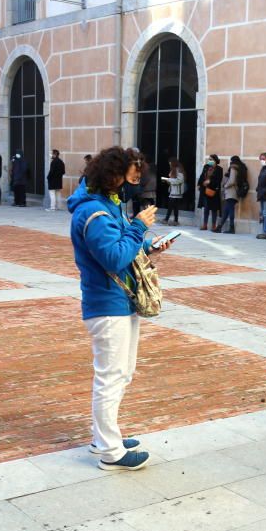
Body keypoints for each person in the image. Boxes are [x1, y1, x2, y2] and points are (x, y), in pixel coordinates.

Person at [66, 146, 173, 471]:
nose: (134, 185)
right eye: (130, 178)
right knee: (110, 376)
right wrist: (139, 226)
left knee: (121, 373)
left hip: (118, 301)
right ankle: (111, 452)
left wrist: (147, 245)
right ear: (113, 177)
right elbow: (112, 257)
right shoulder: (95, 213)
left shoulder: (105, 206)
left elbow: (121, 245)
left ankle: (104, 436)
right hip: (107, 304)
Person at [218, 156, 244, 234]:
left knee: (230, 210)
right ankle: (219, 227)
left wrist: (225, 186)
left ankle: (231, 228)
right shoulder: (240, 168)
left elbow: (232, 181)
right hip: (234, 191)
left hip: (231, 191)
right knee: (226, 210)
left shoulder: (233, 168)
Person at [197, 155, 223, 231]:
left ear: (215, 160)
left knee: (214, 209)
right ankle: (205, 225)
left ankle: (214, 226)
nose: (209, 161)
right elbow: (202, 176)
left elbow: (218, 180)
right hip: (205, 190)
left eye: (211, 159)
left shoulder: (219, 169)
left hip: (213, 191)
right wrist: (199, 184)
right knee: (206, 208)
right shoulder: (206, 167)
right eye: (209, 159)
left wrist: (210, 182)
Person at [161, 158, 186, 226]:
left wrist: (168, 179)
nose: (169, 165)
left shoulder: (178, 170)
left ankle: (167, 219)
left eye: (170, 163)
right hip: (174, 190)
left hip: (176, 191)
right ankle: (175, 220)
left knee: (171, 206)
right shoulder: (174, 169)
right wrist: (168, 180)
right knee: (175, 207)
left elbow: (180, 180)